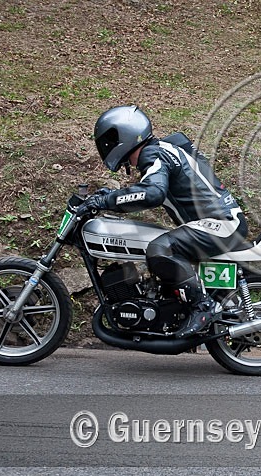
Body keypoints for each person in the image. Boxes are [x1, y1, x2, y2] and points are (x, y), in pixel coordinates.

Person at [75, 105, 248, 338]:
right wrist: (108, 196)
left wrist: (106, 201)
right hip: (220, 222)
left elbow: (153, 193)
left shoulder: (152, 153)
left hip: (220, 223)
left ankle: (202, 307)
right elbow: (148, 188)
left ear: (123, 135)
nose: (105, 146)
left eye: (109, 139)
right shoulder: (162, 149)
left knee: (159, 249)